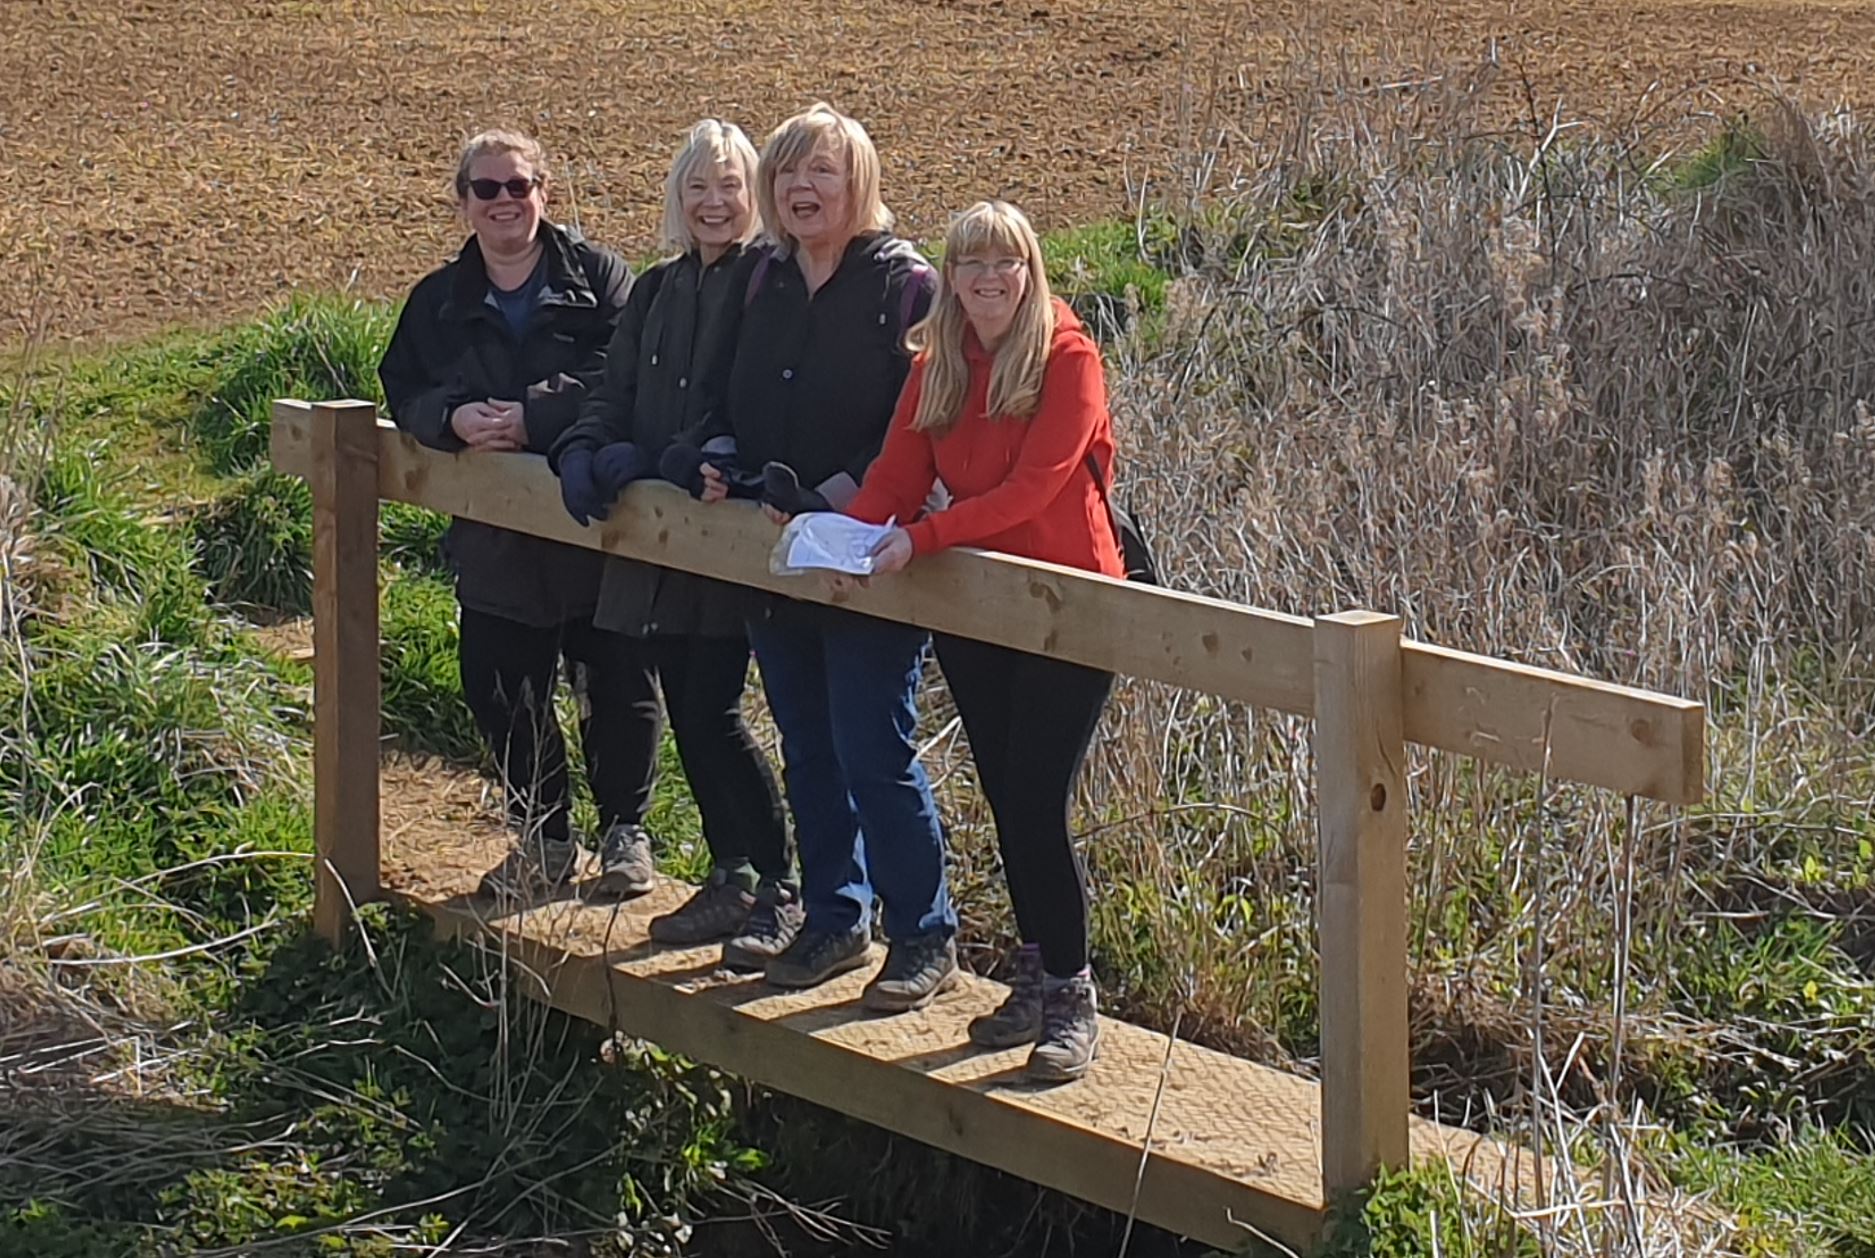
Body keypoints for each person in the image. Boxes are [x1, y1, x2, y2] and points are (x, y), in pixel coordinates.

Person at [839, 200, 1122, 1081]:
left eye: (1007, 264)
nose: (990, 280)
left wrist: (919, 539)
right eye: (972, 265)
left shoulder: (1066, 358)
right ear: (950, 279)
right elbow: (898, 470)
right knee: (1005, 795)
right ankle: (1035, 972)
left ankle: (1074, 995)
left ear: (1030, 273)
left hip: (1064, 605)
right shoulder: (938, 365)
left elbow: (1038, 489)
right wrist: (840, 537)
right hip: (973, 604)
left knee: (1037, 799)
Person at [686, 103, 955, 1005]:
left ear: (859, 184)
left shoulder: (905, 285)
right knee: (806, 745)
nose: (802, 188)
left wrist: (846, 496)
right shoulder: (759, 278)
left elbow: (930, 420)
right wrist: (721, 460)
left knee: (873, 747)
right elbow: (721, 395)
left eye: (823, 172)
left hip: (864, 556)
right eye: (789, 172)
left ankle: (922, 933)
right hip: (776, 550)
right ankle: (836, 918)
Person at [547, 120, 793, 944]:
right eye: (698, 186)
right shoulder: (655, 289)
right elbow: (611, 388)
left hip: (721, 528)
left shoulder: (769, 282)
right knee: (685, 706)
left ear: (752, 196)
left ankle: (776, 882)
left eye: (729, 186)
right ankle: (733, 874)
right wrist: (584, 445)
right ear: (676, 198)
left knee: (713, 706)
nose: (714, 202)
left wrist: (683, 454)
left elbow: (750, 398)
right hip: (655, 538)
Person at [377, 129, 638, 899]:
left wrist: (533, 418)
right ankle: (544, 837)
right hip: (494, 541)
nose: (503, 202)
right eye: (485, 189)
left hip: (597, 526)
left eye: (517, 186)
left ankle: (625, 835)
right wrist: (451, 421)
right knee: (500, 689)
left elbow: (621, 375)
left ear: (544, 193)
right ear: (462, 203)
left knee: (617, 687)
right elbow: (406, 387)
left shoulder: (601, 279)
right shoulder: (436, 301)